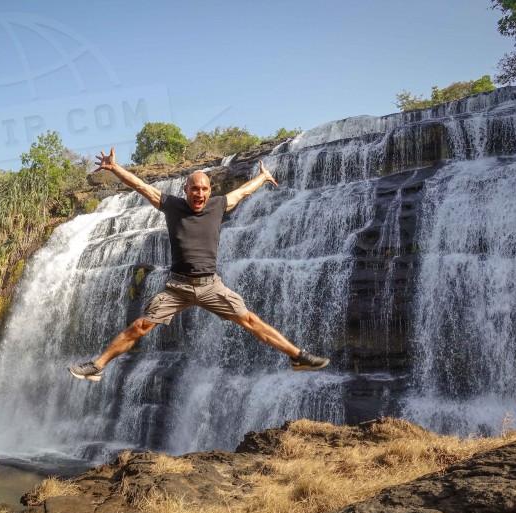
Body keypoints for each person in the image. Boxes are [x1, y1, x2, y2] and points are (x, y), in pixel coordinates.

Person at [68, 147, 330, 381]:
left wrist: (262, 177)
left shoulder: (218, 205)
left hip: (211, 287)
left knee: (250, 319)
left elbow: (242, 191)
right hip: (177, 287)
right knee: (139, 327)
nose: (200, 193)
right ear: (186, 190)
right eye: (195, 188)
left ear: (210, 191)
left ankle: (297, 356)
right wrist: (115, 168)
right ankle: (98, 365)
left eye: (204, 189)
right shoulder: (171, 205)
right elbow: (142, 187)